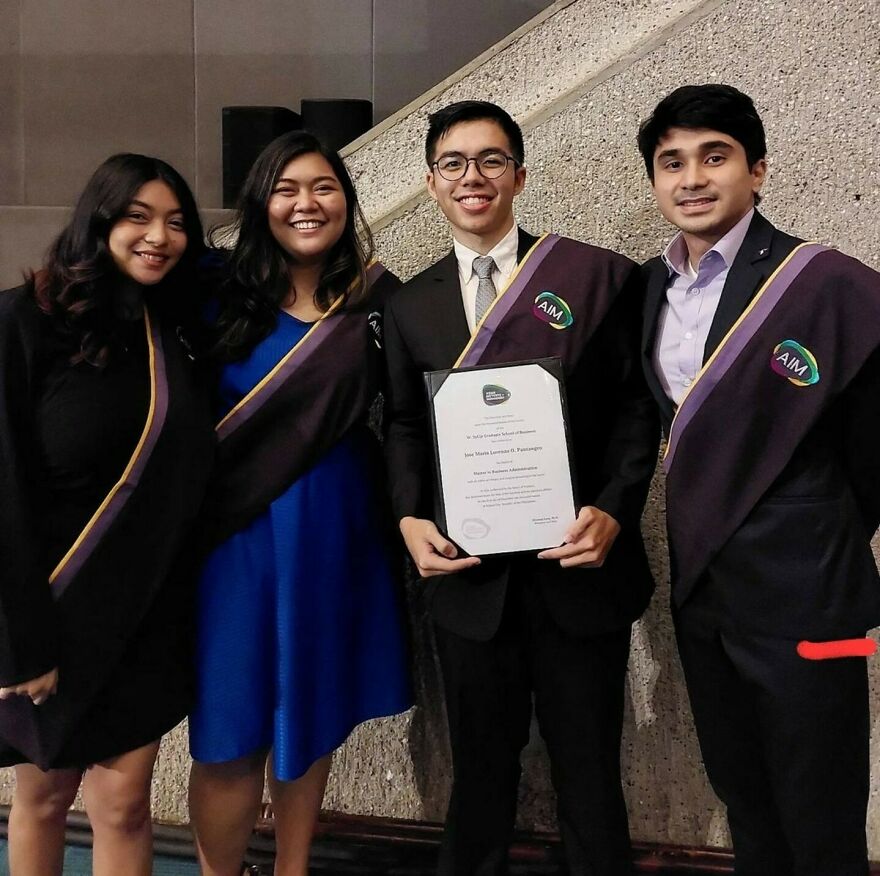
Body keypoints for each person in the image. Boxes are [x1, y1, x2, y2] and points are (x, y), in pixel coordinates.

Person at [383, 100, 658, 876]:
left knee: (590, 772)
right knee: (479, 775)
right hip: (471, 583)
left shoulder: (595, 277)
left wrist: (614, 507)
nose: (474, 177)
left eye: (492, 160)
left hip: (578, 569)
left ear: (520, 175)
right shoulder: (410, 304)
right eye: (454, 164)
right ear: (433, 183)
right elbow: (403, 422)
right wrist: (408, 518)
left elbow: (637, 410)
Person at [638, 83, 880, 875]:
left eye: (715, 156)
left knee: (823, 816)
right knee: (747, 802)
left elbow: (873, 453)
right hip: (705, 594)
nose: (692, 178)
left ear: (758, 170)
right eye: (671, 162)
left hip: (807, 590)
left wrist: (814, 532)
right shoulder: (651, 290)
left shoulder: (829, 284)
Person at [187, 130, 411, 876]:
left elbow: (415, 417)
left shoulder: (380, 297)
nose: (306, 203)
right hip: (235, 538)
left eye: (323, 186)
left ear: (346, 199)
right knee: (230, 728)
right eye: (286, 188)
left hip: (336, 526)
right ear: (261, 202)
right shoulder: (211, 291)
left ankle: (292, 868)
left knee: (308, 712)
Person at [0, 154, 214, 876]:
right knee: (46, 795)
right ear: (99, 220)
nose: (160, 236)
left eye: (178, 222)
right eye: (139, 217)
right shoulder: (21, 320)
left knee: (124, 804)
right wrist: (20, 637)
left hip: (146, 608)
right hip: (52, 608)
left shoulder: (172, 329)